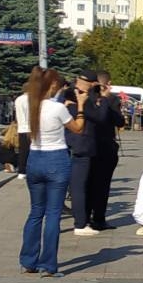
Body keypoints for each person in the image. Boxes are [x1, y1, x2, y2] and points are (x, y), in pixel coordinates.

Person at [18, 69, 84, 276]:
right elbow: (78, 128)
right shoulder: (57, 109)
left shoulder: (29, 106)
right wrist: (80, 106)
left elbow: (26, 133)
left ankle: (28, 261)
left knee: (36, 211)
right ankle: (48, 265)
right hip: (56, 158)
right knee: (53, 213)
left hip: (35, 158)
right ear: (53, 85)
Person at [82, 70, 125, 229]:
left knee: (88, 183)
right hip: (106, 146)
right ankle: (99, 218)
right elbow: (119, 121)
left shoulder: (85, 98)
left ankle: (84, 217)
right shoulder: (111, 99)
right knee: (103, 185)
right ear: (108, 84)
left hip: (87, 145)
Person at [62, 75, 100, 237]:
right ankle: (80, 223)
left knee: (75, 187)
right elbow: (99, 117)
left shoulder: (68, 102)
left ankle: (78, 220)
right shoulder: (83, 104)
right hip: (80, 148)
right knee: (78, 188)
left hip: (71, 147)